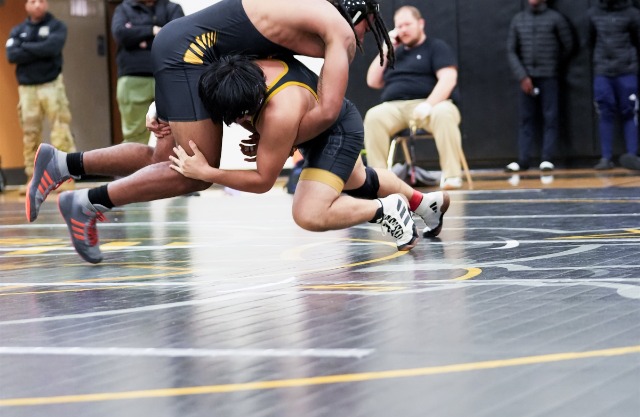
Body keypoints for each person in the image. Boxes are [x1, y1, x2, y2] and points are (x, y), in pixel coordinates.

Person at [24, 0, 395, 262]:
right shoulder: (339, 32)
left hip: (185, 50)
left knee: (161, 161)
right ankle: (86, 204)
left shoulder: (304, 12)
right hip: (190, 58)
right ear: (358, 14)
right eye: (370, 26)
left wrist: (168, 101)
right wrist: (276, 141)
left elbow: (233, 42)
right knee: (193, 171)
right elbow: (328, 110)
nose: (365, 37)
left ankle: (63, 163)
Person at [168, 55, 450, 255]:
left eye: (243, 117)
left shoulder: (278, 115)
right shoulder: (253, 65)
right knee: (357, 181)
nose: (243, 123)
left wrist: (207, 173)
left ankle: (386, 209)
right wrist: (161, 110)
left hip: (335, 131)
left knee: (309, 213)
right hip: (330, 119)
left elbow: (263, 181)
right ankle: (424, 203)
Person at [363, 5, 466, 190]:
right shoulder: (394, 53)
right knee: (374, 116)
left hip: (430, 105)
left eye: (407, 24)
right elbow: (372, 81)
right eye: (399, 26)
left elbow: (448, 79)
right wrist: (386, 49)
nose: (403, 30)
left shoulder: (436, 47)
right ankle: (379, 180)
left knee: (444, 113)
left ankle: (452, 176)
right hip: (395, 108)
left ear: (420, 23)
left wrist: (429, 104)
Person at [5, 0, 76, 195]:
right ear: (26, 5)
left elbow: (52, 48)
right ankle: (32, 178)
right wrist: (39, 48)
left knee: (61, 130)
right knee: (30, 134)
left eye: (41, 1)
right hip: (27, 88)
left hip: (52, 84)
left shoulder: (57, 26)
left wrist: (25, 47)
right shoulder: (17, 30)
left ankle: (65, 177)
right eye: (33, 1)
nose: (37, 5)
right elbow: (12, 55)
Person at [504, 0, 574, 174]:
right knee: (525, 119)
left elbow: (569, 45)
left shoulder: (556, 18)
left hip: (549, 76)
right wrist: (522, 76)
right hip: (526, 77)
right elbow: (511, 50)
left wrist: (553, 66)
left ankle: (547, 158)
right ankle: (523, 160)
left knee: (551, 117)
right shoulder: (519, 19)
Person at [111, 0, 184, 144]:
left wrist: (139, 38)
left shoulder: (172, 8)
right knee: (134, 138)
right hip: (133, 77)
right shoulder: (123, 8)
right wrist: (153, 30)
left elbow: (178, 37)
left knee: (172, 135)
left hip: (168, 77)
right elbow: (121, 34)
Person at [587, 0, 640, 170]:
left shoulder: (632, 13)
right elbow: (589, 41)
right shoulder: (593, 13)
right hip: (603, 71)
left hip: (627, 71)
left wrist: (630, 62)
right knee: (605, 112)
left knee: (629, 111)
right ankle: (606, 158)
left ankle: (632, 155)